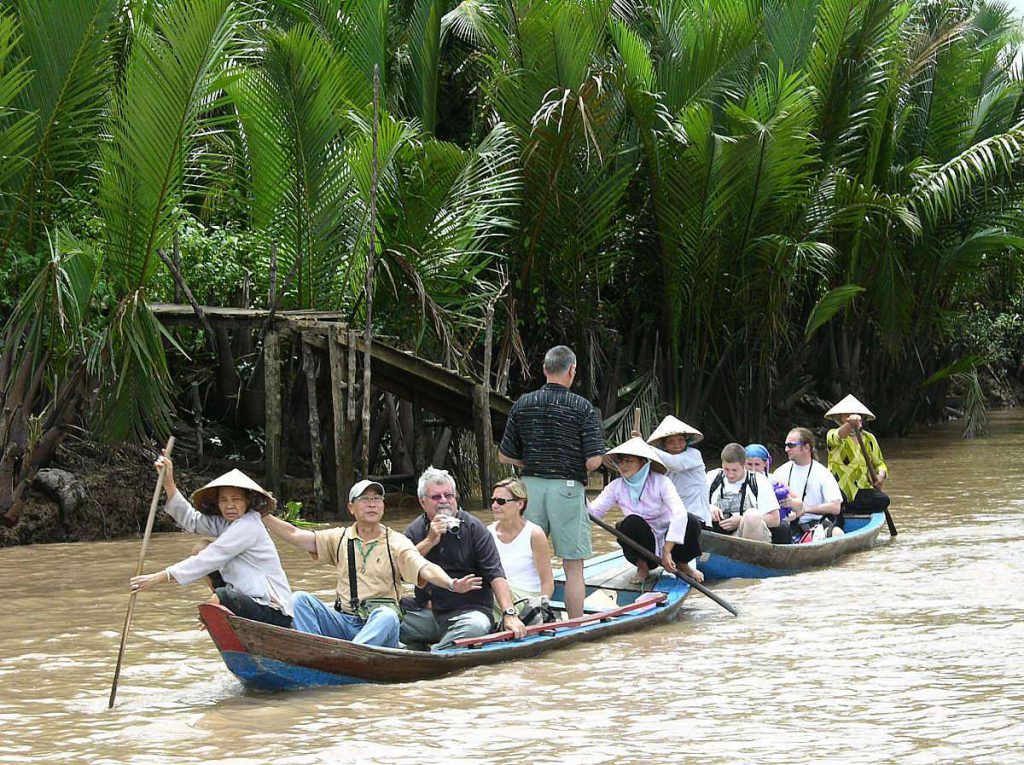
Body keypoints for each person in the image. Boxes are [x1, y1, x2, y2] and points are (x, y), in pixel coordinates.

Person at [261, 479, 481, 648]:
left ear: (383, 507)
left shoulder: (395, 541)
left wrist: (452, 584)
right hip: (346, 620)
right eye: (365, 500)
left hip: (378, 625)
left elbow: (424, 567)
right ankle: (312, 652)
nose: (372, 504)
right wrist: (262, 514)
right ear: (351, 508)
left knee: (387, 615)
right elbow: (295, 535)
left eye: (377, 499)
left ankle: (351, 657)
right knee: (300, 599)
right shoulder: (338, 538)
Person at [498, 345, 605, 619]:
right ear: (572, 370)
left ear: (545, 370)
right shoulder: (583, 407)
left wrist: (530, 463)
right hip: (567, 489)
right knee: (573, 567)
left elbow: (504, 455)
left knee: (528, 557)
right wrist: (570, 464)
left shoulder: (523, 404)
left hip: (528, 489)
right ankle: (575, 625)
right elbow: (594, 461)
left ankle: (522, 616)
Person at [129, 454, 293, 628]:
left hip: (272, 609)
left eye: (235, 499)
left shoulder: (248, 525)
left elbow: (210, 558)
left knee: (219, 597)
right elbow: (192, 520)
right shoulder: (226, 523)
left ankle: (220, 607)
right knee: (200, 547)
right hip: (246, 597)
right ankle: (221, 608)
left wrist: (157, 577)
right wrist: (168, 482)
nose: (229, 505)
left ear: (247, 501)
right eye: (224, 500)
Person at [402, 467, 527, 650]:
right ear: (423, 502)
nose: (444, 501)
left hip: (468, 614)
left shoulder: (474, 528)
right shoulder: (415, 530)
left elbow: (495, 574)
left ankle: (432, 655)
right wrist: (429, 540)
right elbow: (398, 570)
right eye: (436, 497)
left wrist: (509, 614)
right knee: (387, 618)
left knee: (476, 626)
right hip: (428, 615)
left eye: (449, 495)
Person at [588, 437, 704, 584]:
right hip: (643, 545)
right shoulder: (616, 487)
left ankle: (682, 564)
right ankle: (642, 568)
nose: (623, 466)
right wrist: (579, 492)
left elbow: (679, 513)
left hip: (671, 542)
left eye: (629, 461)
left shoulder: (661, 482)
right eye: (620, 461)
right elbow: (593, 513)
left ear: (642, 462)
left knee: (691, 520)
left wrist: (667, 551)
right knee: (630, 523)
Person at [487, 477, 555, 621]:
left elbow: (547, 581)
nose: (494, 505)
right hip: (499, 594)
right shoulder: (488, 533)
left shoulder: (534, 534)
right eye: (493, 500)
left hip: (525, 598)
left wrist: (540, 608)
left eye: (501, 501)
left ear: (520, 504)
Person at [771, 427, 844, 540]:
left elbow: (835, 507)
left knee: (837, 533)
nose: (786, 449)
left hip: (814, 526)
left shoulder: (822, 473)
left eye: (791, 445)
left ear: (806, 447)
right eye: (786, 445)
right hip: (786, 526)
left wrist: (805, 509)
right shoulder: (779, 472)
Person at [825, 394, 890, 515]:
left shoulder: (869, 438)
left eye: (856, 415)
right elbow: (838, 436)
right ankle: (840, 508)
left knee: (884, 500)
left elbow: (880, 463)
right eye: (846, 415)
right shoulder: (832, 434)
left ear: (863, 418)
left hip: (862, 490)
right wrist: (850, 424)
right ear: (840, 418)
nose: (852, 418)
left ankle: (845, 509)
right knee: (841, 499)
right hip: (839, 490)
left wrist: (880, 476)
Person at [705, 443, 781, 541]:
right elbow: (693, 505)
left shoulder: (759, 481)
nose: (730, 475)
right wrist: (708, 508)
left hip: (748, 534)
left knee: (752, 516)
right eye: (726, 469)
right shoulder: (712, 477)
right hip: (716, 533)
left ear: (744, 464)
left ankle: (748, 555)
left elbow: (775, 519)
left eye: (734, 470)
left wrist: (741, 520)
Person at [646, 415, 710, 525]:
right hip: (673, 519)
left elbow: (675, 463)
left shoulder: (694, 455)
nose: (677, 445)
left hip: (696, 518)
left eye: (681, 440)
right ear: (664, 445)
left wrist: (645, 447)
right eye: (671, 441)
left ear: (686, 442)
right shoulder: (660, 463)